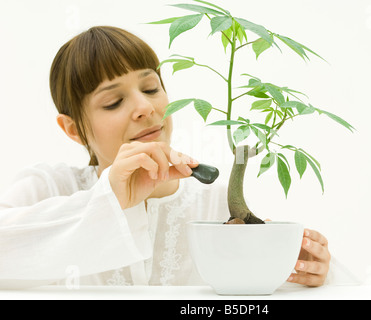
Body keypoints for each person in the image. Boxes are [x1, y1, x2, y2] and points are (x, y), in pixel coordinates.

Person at [0, 26, 335, 288]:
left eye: (150, 88)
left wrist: (301, 274)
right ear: (73, 130)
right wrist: (109, 199)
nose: (145, 108)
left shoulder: (217, 207)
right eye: (113, 103)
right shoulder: (47, 187)